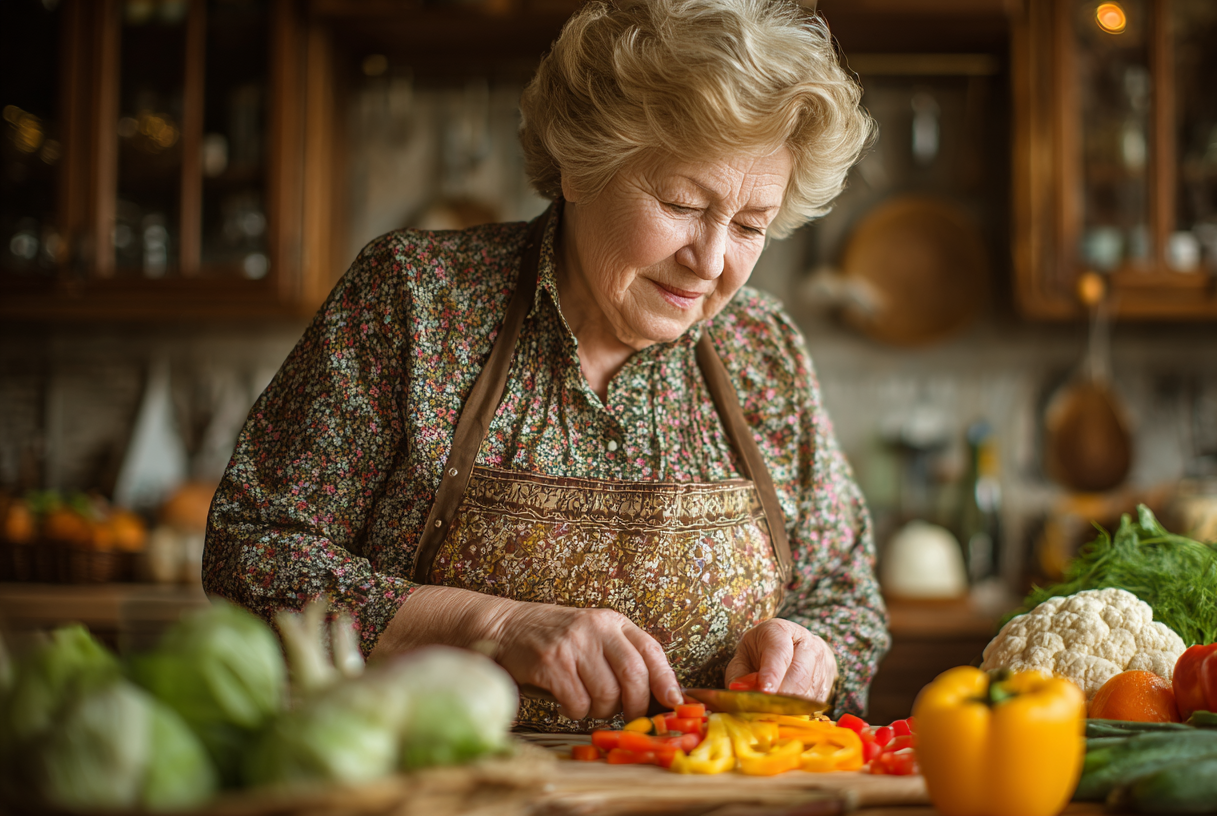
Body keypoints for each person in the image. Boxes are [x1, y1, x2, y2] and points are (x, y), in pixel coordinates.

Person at [204, 0, 887, 731]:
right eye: (682, 203)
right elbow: (253, 553)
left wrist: (811, 651)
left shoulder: (764, 349)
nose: (712, 261)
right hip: (449, 792)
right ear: (581, 167)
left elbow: (847, 599)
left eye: (751, 226)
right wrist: (494, 627)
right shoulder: (415, 299)